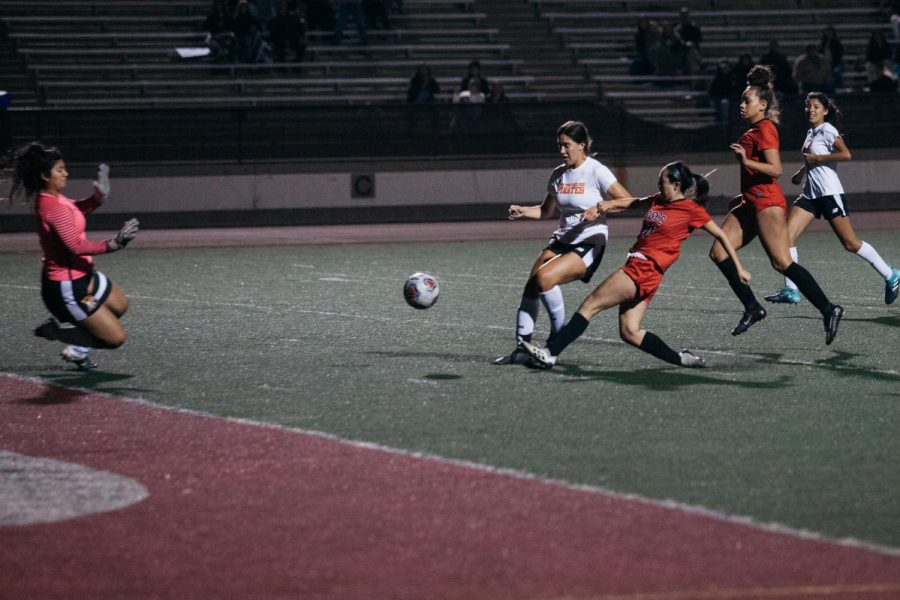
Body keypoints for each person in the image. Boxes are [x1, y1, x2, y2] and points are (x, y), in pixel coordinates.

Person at [520, 162, 748, 370]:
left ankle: (550, 353)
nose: (659, 185)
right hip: (646, 273)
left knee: (590, 305)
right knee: (630, 332)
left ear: (677, 185)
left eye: (663, 182)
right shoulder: (660, 199)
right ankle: (681, 358)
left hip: (643, 269)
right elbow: (634, 202)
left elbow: (721, 235)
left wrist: (738, 268)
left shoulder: (691, 210)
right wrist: (606, 205)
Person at [708, 65, 844, 344]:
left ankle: (829, 309)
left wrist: (746, 162)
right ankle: (752, 307)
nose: (741, 105)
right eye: (742, 100)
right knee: (719, 252)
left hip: (767, 204)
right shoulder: (755, 128)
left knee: (781, 262)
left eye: (747, 101)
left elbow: (775, 169)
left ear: (763, 104)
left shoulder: (765, 129)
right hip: (750, 202)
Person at [493, 121, 633, 364]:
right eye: (559, 145)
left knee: (544, 279)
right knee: (531, 285)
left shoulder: (596, 170)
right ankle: (520, 349)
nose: (562, 151)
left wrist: (601, 206)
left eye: (567, 146)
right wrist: (523, 211)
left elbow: (627, 200)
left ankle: (555, 340)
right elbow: (546, 211)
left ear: (581, 146)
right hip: (563, 239)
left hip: (590, 241)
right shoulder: (558, 174)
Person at [8, 142, 140, 370]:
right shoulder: (51, 206)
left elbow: (76, 211)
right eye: (60, 170)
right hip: (68, 288)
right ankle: (58, 332)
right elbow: (75, 246)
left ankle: (79, 348)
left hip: (83, 276)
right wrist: (114, 243)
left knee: (119, 304)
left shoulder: (57, 199)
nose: (66, 173)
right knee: (115, 339)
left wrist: (97, 198)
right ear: (44, 176)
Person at [765, 92, 900, 305]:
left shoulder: (828, 129)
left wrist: (818, 158)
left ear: (825, 111)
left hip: (829, 193)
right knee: (785, 238)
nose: (811, 110)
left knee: (850, 243)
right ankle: (791, 291)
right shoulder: (811, 132)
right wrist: (802, 172)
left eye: (816, 107)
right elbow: (813, 159)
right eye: (808, 106)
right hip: (810, 194)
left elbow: (846, 154)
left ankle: (891, 275)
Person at [818, 25, 844, 91]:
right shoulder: (821, 43)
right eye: (827, 32)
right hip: (824, 64)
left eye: (830, 32)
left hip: (834, 64)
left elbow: (839, 55)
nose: (829, 34)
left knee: (836, 75)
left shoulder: (837, 43)